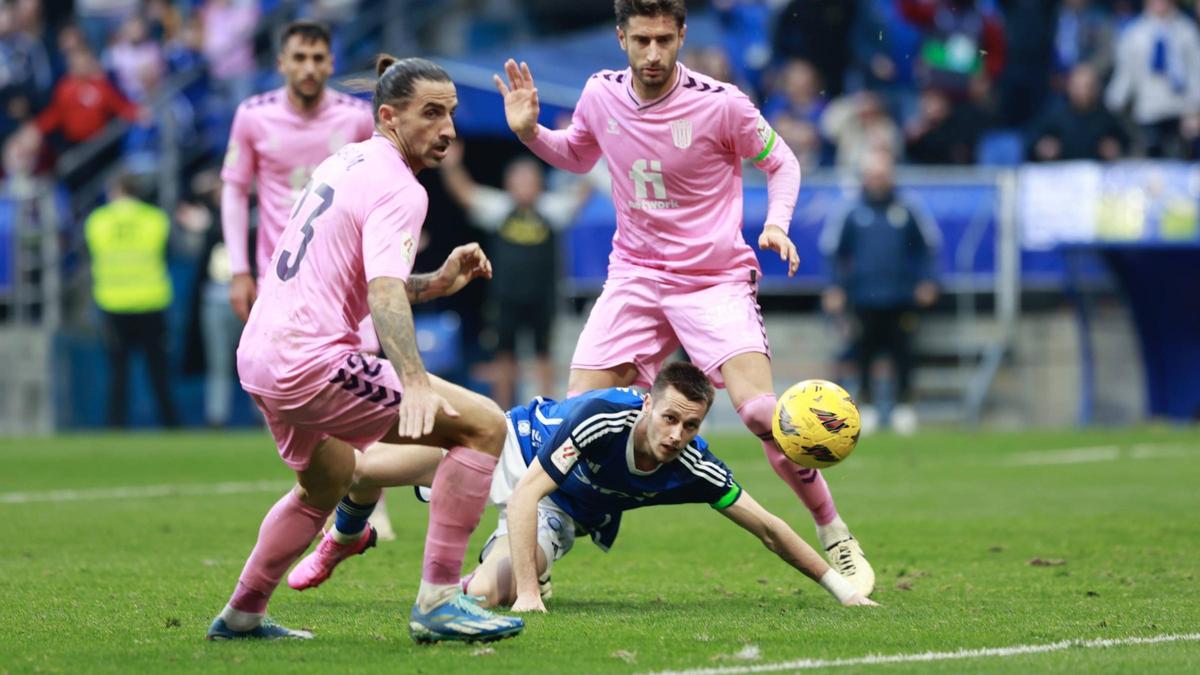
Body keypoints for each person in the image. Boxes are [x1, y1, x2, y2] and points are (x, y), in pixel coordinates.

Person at [492, 0, 874, 596]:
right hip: (636, 278)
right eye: (641, 39)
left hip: (712, 279)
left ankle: (834, 532)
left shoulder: (721, 103)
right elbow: (577, 153)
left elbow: (783, 162)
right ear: (621, 37)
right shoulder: (600, 94)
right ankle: (549, 532)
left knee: (757, 413)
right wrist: (530, 133)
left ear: (682, 36)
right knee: (574, 420)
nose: (652, 54)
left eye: (664, 40)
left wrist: (777, 222)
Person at [205, 55, 525, 644]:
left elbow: (360, 277)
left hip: (261, 357)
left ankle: (243, 614)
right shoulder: (401, 188)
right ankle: (439, 600)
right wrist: (416, 379)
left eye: (451, 114)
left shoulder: (345, 161)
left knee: (327, 481)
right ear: (389, 116)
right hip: (309, 360)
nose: (448, 129)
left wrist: (433, 282)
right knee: (483, 425)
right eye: (431, 114)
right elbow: (379, 290)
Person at [291, 362, 879, 611]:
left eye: (691, 425)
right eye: (669, 417)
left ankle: (492, 573)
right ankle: (345, 537)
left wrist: (841, 589)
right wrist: (530, 595)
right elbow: (525, 490)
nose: (676, 434)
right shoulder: (604, 416)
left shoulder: (692, 465)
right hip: (507, 451)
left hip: (557, 513)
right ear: (648, 404)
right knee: (361, 470)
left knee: (478, 600)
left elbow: (770, 530)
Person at [219, 21, 396, 538]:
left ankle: (370, 500)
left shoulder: (353, 116)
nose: (310, 67)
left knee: (365, 379)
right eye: (300, 57)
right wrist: (239, 268)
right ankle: (327, 490)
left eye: (319, 57)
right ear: (281, 62)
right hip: (283, 284)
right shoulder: (253, 117)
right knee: (299, 395)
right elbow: (234, 190)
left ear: (331, 62)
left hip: (345, 278)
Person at [438, 143, 589, 409]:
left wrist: (590, 149)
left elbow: (582, 194)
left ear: (539, 183)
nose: (524, 184)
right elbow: (465, 193)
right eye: (519, 179)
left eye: (530, 179)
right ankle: (503, 416)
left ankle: (547, 415)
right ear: (508, 182)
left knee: (544, 357)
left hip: (543, 299)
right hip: (505, 300)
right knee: (504, 360)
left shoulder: (551, 210)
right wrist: (452, 166)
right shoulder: (499, 208)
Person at [820, 148, 940, 436]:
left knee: (903, 352)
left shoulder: (908, 208)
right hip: (863, 296)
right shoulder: (851, 210)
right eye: (873, 175)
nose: (878, 181)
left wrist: (928, 280)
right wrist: (835, 287)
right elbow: (834, 252)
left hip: (901, 295)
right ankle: (868, 407)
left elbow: (928, 248)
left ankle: (903, 406)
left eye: (882, 175)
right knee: (863, 353)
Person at [84, 171, 178, 428]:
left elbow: (91, 255)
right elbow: (167, 254)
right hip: (151, 300)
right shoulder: (156, 219)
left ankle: (115, 426)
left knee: (117, 373)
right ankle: (172, 426)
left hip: (112, 302)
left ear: (115, 190)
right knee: (158, 373)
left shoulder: (97, 220)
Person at [1104, 0, 1200, 158]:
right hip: (1148, 111)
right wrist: (1112, 104)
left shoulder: (1187, 31)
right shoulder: (1134, 33)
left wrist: (1195, 110)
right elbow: (1126, 75)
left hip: (1180, 111)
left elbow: (1196, 72)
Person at [1028, 64, 1127, 163]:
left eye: (1088, 86)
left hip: (1097, 173)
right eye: (1079, 86)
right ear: (1069, 86)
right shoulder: (1054, 114)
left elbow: (1125, 142)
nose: (1083, 92)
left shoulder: (1107, 116)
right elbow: (1032, 142)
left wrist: (1116, 148)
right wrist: (1042, 148)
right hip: (1062, 172)